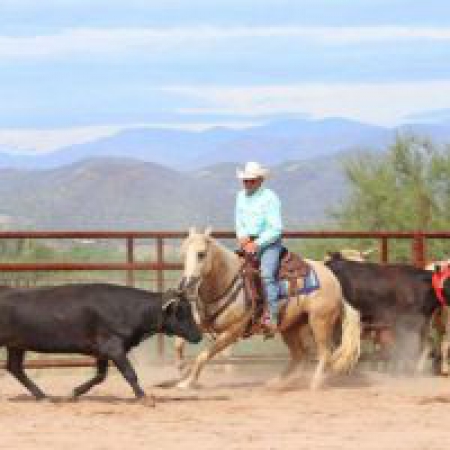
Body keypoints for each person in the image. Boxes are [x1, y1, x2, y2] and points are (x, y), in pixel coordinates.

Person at [235, 161, 283, 332]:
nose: (247, 183)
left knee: (267, 274)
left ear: (260, 180)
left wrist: (256, 243)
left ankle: (272, 316)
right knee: (232, 272)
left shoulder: (270, 198)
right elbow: (239, 221)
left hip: (268, 243)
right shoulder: (240, 196)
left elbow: (276, 229)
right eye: (245, 180)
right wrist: (242, 237)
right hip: (247, 242)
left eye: (251, 180)